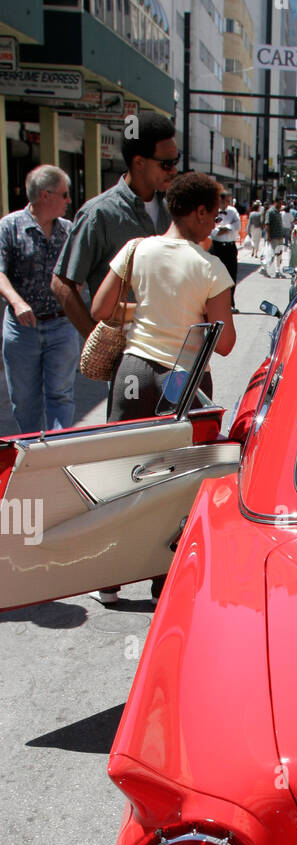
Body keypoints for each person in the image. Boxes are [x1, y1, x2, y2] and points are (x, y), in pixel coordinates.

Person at [88, 172, 236, 605]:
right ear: (198, 212)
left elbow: (100, 308)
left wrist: (146, 309)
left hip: (133, 370)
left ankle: (109, 578)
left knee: (121, 470)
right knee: (175, 475)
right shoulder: (210, 267)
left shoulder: (136, 250)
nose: (217, 223)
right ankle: (161, 578)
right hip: (184, 375)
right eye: (214, 214)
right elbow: (224, 344)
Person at [51, 111, 177, 340]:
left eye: (175, 162)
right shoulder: (99, 214)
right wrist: (94, 339)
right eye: (166, 164)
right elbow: (62, 283)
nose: (174, 170)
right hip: (127, 358)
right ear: (139, 162)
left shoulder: (173, 209)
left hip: (173, 348)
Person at [0, 165, 80, 434]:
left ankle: (58, 454)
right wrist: (16, 301)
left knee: (60, 396)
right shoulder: (9, 227)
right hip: (22, 330)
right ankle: (33, 454)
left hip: (61, 325)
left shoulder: (68, 231)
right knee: (25, 401)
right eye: (65, 194)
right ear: (46, 195)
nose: (69, 200)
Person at [209, 188, 241, 310]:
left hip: (229, 247)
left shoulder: (232, 211)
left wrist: (226, 227)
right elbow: (211, 231)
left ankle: (230, 304)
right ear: (220, 200)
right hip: (216, 246)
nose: (228, 203)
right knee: (214, 275)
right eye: (226, 201)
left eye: (229, 201)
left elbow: (237, 225)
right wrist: (219, 230)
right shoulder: (213, 211)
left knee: (231, 274)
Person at [261, 199, 284, 277]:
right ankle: (264, 268)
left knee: (279, 254)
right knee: (271, 255)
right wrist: (268, 235)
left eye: (281, 203)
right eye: (279, 203)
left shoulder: (278, 212)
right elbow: (267, 224)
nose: (280, 205)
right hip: (273, 237)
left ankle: (277, 270)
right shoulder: (270, 212)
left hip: (280, 236)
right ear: (275, 202)